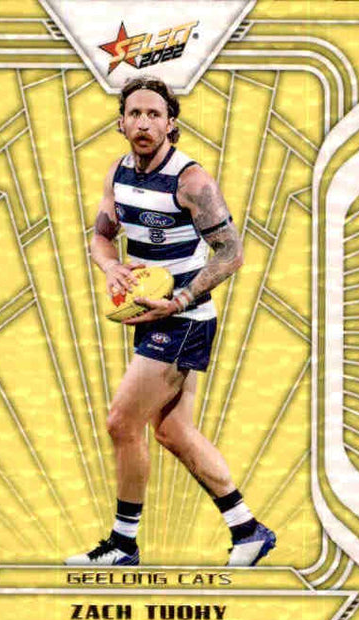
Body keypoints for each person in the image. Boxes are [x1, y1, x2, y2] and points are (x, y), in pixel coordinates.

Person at [65, 76, 276, 567]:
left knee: (122, 422)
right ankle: (249, 530)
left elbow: (232, 252)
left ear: (170, 124)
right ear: (121, 123)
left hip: (184, 319)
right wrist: (110, 266)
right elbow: (101, 237)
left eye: (154, 115)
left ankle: (123, 545)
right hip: (153, 314)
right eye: (135, 114)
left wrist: (179, 301)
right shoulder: (118, 173)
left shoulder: (191, 181)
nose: (143, 123)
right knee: (174, 432)